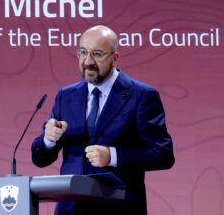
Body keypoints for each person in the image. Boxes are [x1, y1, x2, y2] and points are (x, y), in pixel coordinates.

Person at [31, 25, 175, 215]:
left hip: (119, 209)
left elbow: (162, 153)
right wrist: (49, 140)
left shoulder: (141, 96)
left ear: (115, 58)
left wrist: (112, 156)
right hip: (70, 210)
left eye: (97, 54)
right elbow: (40, 158)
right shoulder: (66, 95)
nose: (88, 61)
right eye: (82, 52)